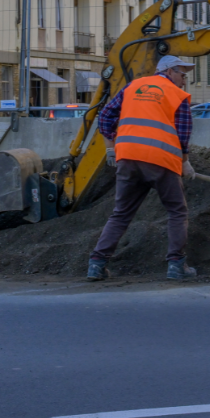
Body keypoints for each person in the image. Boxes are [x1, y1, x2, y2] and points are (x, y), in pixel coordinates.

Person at [86, 55, 197, 282]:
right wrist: (184, 162)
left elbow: (106, 115)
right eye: (182, 75)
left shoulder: (133, 86)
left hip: (127, 157)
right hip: (161, 158)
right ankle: (177, 265)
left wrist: (111, 148)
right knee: (177, 211)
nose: (184, 81)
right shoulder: (177, 95)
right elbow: (183, 132)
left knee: (121, 213)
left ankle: (96, 264)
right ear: (169, 71)